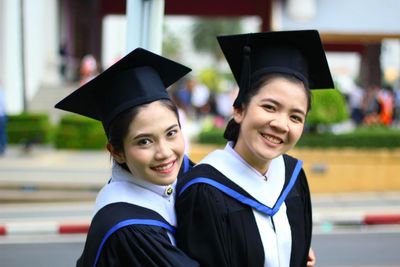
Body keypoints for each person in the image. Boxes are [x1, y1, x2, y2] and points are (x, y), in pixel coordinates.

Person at [175, 30, 335, 267]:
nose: (281, 125)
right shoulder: (205, 191)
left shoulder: (292, 175)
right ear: (239, 110)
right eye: (270, 107)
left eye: (295, 117)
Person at [55, 48, 198, 267]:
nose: (165, 153)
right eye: (144, 141)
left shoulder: (191, 180)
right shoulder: (127, 228)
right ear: (116, 152)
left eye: (171, 133)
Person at [0, 82, 7, 156]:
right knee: (2, 133)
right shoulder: (2, 93)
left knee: (2, 133)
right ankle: (3, 149)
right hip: (2, 115)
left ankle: (2, 149)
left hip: (1, 115)